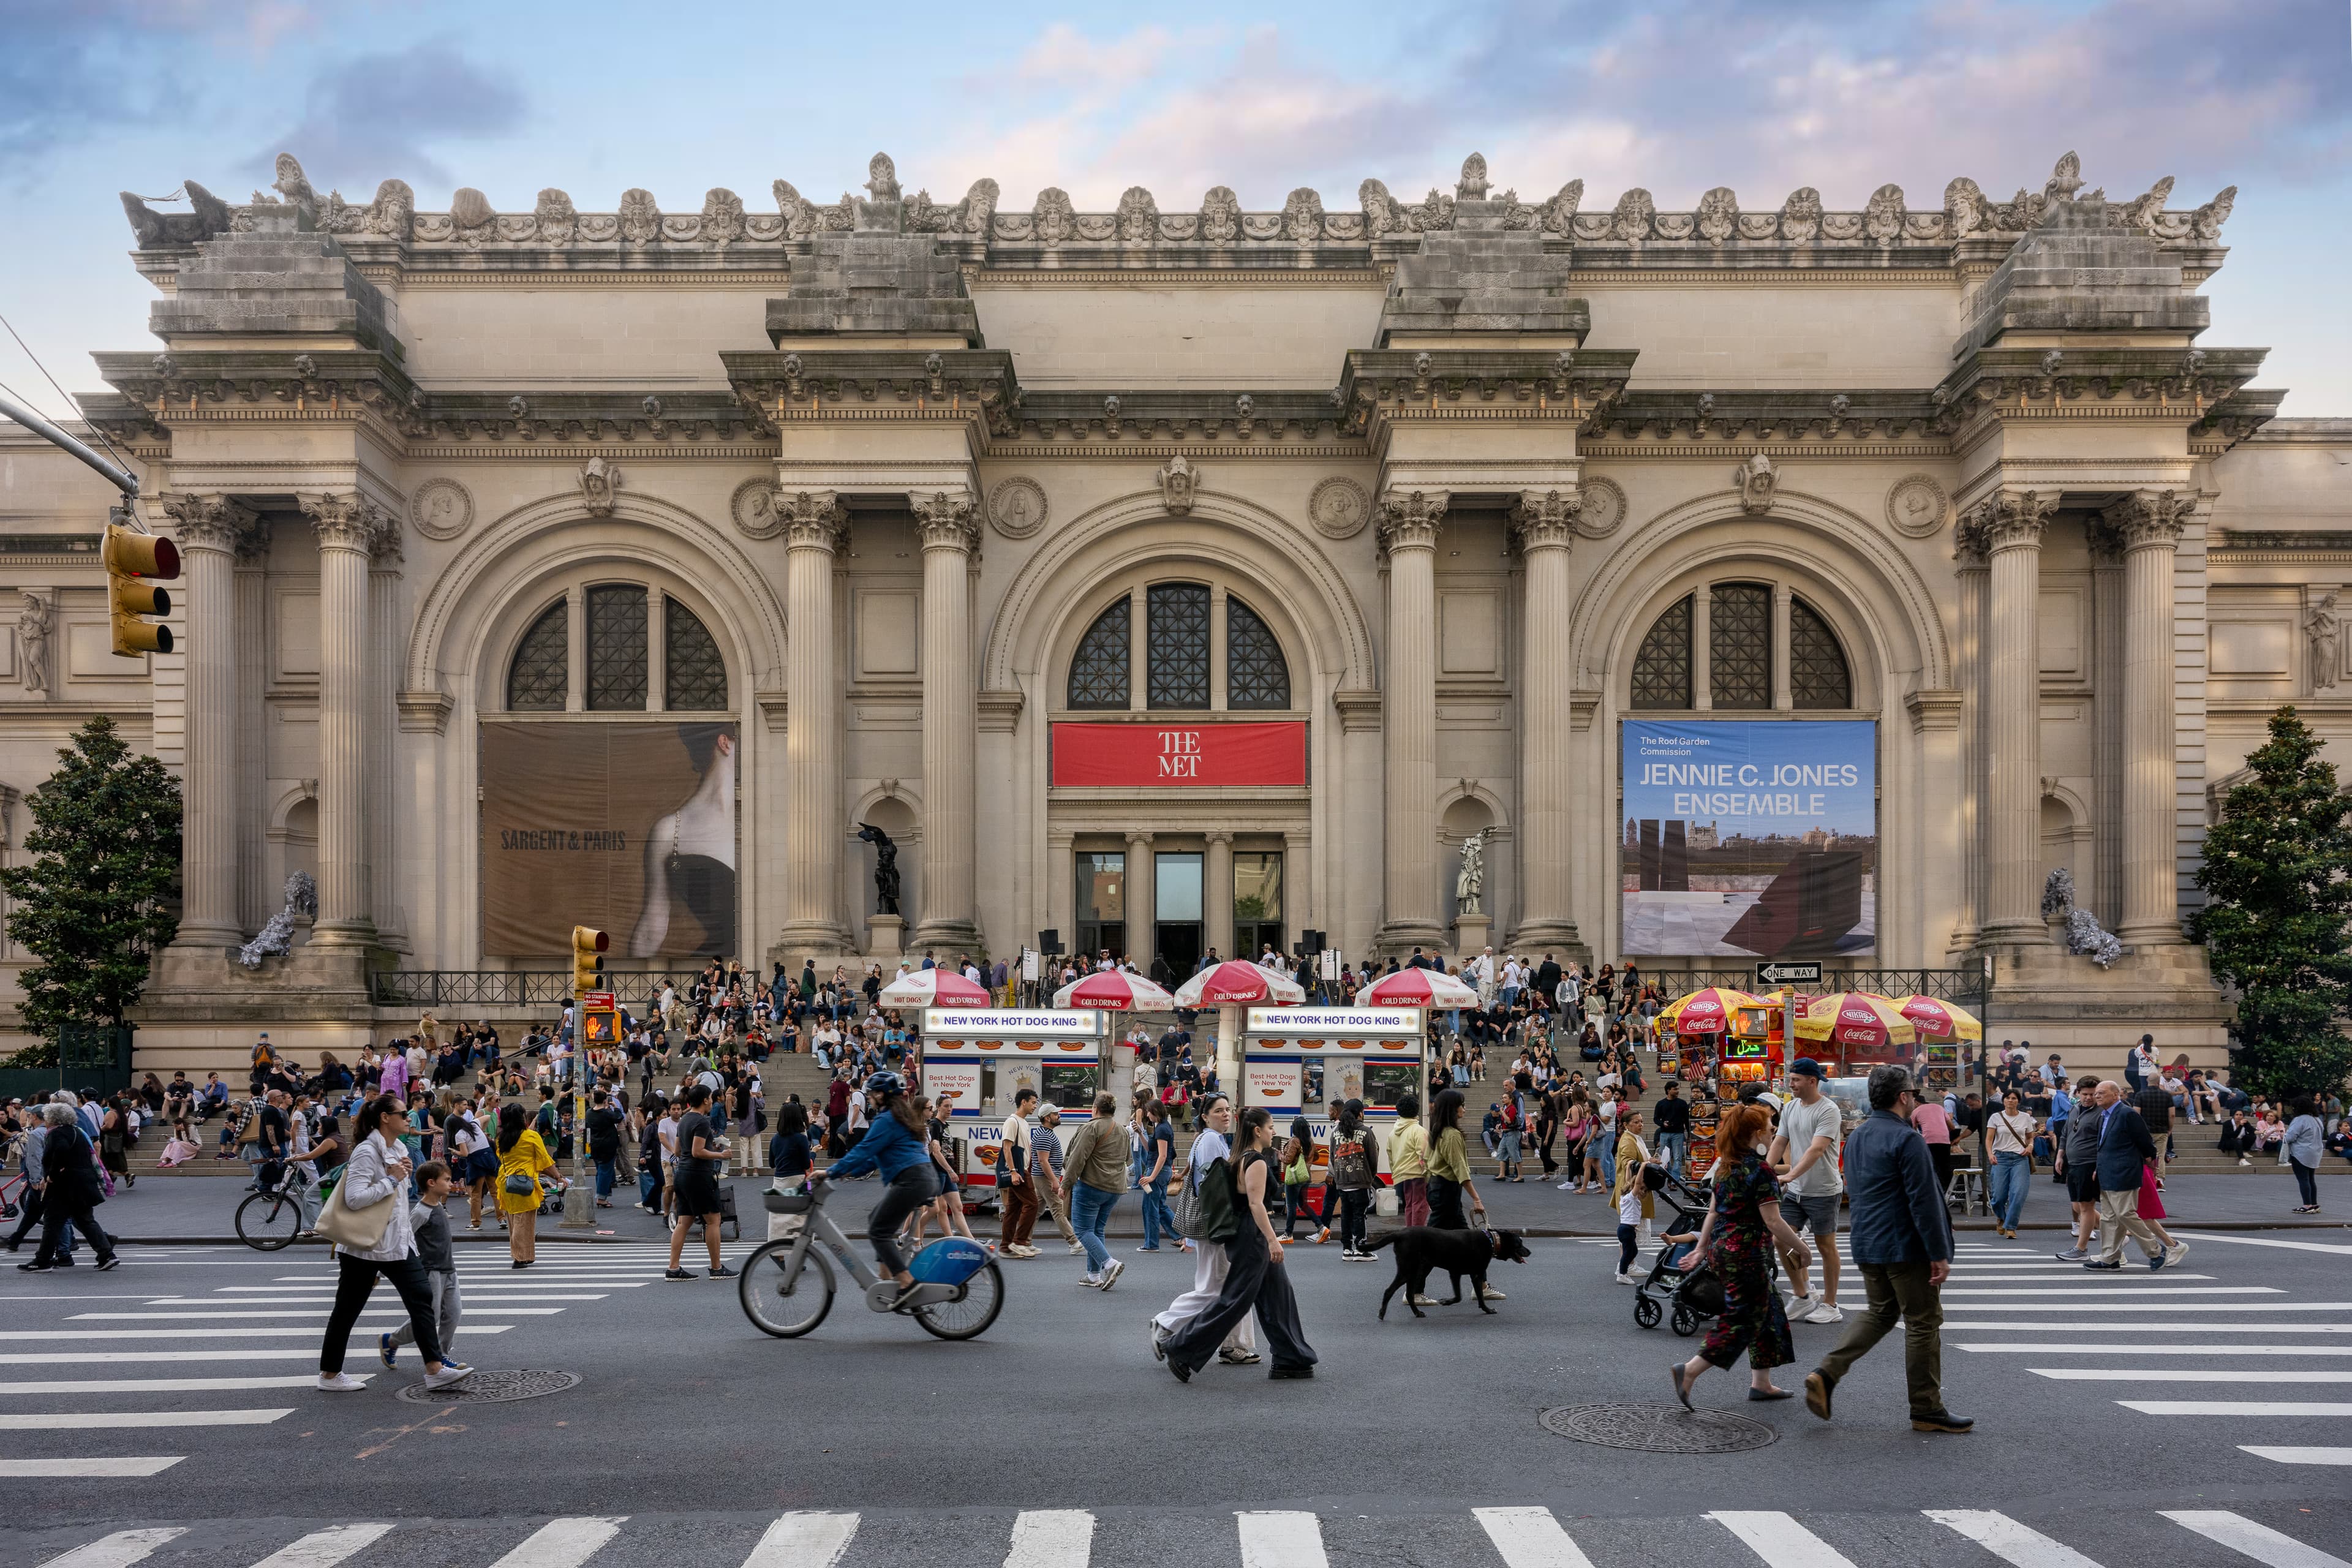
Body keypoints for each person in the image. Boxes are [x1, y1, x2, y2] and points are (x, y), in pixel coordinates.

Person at [1803, 1066, 1970, 1434]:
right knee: (1923, 1323)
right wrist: (1939, 1251)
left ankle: (1827, 1372)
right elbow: (1924, 1200)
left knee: (1880, 1313)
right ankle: (1927, 1408)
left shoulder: (1859, 1136)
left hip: (1868, 1240)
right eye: (1912, 1091)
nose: (1913, 1097)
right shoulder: (1907, 1139)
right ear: (1903, 1097)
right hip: (1906, 1245)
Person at [315, 1097, 470, 1392]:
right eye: (403, 1114)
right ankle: (330, 1375)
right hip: (365, 1247)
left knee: (423, 1298)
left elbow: (398, 1205)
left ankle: (434, 1368)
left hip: (397, 1244)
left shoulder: (398, 1149)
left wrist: (403, 1174)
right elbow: (355, 1198)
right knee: (347, 1310)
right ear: (386, 1118)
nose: (409, 1118)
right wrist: (392, 1179)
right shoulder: (366, 1151)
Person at [1161, 1107, 1317, 1382]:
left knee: (1279, 1296)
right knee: (1234, 1301)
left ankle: (1291, 1357)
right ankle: (1181, 1349)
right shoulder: (1255, 1161)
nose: (1274, 1131)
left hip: (1246, 1235)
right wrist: (1273, 1241)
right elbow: (1256, 1205)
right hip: (1253, 1237)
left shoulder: (1238, 1156)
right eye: (1270, 1127)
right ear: (1257, 1131)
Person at [1668, 1103, 1809, 1407]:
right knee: (1742, 1319)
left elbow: (1712, 1211)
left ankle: (1762, 1383)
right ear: (1757, 1135)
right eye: (1771, 1128)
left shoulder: (1724, 1167)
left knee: (1769, 1309)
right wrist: (1802, 1247)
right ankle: (1690, 1371)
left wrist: (1702, 1249)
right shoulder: (1761, 1171)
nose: (1774, 1133)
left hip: (1723, 1249)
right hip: (1747, 1254)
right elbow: (1773, 1220)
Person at [1151, 1094, 1259, 1366]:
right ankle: (1166, 1324)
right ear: (1205, 1116)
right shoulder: (1211, 1140)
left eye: (1228, 1110)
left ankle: (1234, 1345)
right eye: (1218, 1111)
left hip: (1215, 1224)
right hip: (1217, 1225)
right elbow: (1214, 1187)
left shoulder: (1211, 1139)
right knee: (1215, 1289)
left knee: (1230, 1286)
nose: (1226, 1114)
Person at [820, 1071, 935, 1310]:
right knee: (877, 1221)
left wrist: (830, 1172)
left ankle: (907, 1283)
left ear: (881, 1095)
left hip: (911, 1180)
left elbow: (864, 1150)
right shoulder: (898, 1116)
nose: (869, 1098)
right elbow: (872, 1160)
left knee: (878, 1232)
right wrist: (847, 1173)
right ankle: (885, 1279)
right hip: (921, 1178)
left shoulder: (886, 1119)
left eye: (871, 1094)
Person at [1770, 1058, 1845, 1325]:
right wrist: (1766, 1171)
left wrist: (1790, 1174)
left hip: (1824, 1190)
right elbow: (1780, 1141)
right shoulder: (1790, 1107)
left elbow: (1817, 1149)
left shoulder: (1828, 1110)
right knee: (1781, 1239)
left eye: (1795, 1080)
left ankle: (1830, 1304)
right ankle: (1803, 1296)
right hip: (1796, 1192)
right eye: (1790, 1079)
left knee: (1826, 1247)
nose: (1790, 1085)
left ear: (1812, 1081)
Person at [2086, 1079, 2180, 1270]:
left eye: (2101, 1093)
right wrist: (2099, 1167)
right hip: (2107, 1172)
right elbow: (2104, 1147)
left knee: (2125, 1213)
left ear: (2116, 1095)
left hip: (2125, 1172)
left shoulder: (2127, 1114)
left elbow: (2146, 1143)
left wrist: (2147, 1163)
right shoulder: (2104, 1115)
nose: (2097, 1096)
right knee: (2109, 1218)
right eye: (2096, 1093)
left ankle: (2156, 1250)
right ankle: (2110, 1258)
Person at [13, 1102, 116, 1273]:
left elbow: (60, 1151)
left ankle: (43, 1260)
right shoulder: (77, 1131)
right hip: (82, 1184)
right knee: (85, 1220)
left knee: (52, 1222)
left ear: (53, 1118)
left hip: (64, 1186)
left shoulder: (57, 1133)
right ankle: (107, 1255)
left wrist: (52, 1174)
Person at [379, 1160, 462, 1370]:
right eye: (447, 1180)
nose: (451, 1184)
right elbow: (402, 1237)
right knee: (430, 1317)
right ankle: (391, 1340)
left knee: (453, 1314)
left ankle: (442, 1354)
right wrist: (382, 1270)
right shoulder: (420, 1212)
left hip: (449, 1269)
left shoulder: (439, 1206)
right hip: (431, 1271)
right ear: (432, 1183)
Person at [664, 1084, 737, 1281]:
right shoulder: (702, 1122)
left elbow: (679, 1151)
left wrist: (708, 1146)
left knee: (683, 1221)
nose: (712, 1101)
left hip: (683, 1174)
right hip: (699, 1175)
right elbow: (697, 1152)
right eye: (710, 1098)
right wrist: (720, 1154)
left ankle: (673, 1268)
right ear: (705, 1100)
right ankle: (716, 1267)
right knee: (714, 1220)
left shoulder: (684, 1120)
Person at [1061, 1092, 1131, 1289]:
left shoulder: (1091, 1128)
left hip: (1091, 1185)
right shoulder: (1123, 1130)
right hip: (1115, 1188)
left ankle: (1110, 1264)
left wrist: (1066, 1185)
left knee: (1082, 1230)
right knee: (1097, 1230)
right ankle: (1093, 1276)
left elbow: (1077, 1159)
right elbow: (1128, 1159)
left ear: (1095, 1109)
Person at [494, 1101, 554, 1271]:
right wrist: (559, 1177)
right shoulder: (531, 1136)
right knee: (524, 1222)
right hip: (525, 1182)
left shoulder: (501, 1138)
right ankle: (520, 1257)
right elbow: (545, 1162)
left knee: (514, 1220)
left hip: (506, 1182)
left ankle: (524, 1255)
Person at [2052, 1076, 2105, 1260]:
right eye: (2085, 1094)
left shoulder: (2101, 1113)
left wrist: (2099, 1165)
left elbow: (2103, 1142)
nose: (2089, 1098)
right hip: (2073, 1163)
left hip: (2088, 1164)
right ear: (2078, 1093)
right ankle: (2115, 1236)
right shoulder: (2075, 1109)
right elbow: (2066, 1133)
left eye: (2093, 1094)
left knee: (2085, 1206)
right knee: (2077, 1204)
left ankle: (2081, 1248)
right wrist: (2060, 1155)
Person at [1425, 1089, 1488, 1242]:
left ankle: (1466, 1263)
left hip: (1437, 1187)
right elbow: (1460, 1170)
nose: (1464, 1109)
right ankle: (1416, 1261)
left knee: (1462, 1232)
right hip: (1446, 1189)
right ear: (1452, 1108)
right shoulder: (1452, 1135)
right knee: (1429, 1237)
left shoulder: (1437, 1130)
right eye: (1462, 1105)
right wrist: (1477, 1199)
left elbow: (1427, 1161)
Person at [1326, 1099, 1379, 1260]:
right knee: (1360, 1215)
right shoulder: (1366, 1131)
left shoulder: (1335, 1133)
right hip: (1360, 1181)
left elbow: (1332, 1157)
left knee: (1346, 1215)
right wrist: (1370, 1178)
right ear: (1360, 1113)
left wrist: (1338, 1176)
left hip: (1342, 1182)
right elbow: (1373, 1158)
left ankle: (1347, 1249)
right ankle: (1361, 1249)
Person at [1985, 1089, 2037, 1238]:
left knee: (2018, 1193)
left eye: (2014, 1098)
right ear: (2003, 1101)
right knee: (1998, 1196)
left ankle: (2011, 1227)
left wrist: (2030, 1147)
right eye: (2008, 1098)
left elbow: (2029, 1137)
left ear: (2018, 1102)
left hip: (2020, 1158)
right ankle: (2001, 1216)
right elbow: (1989, 1139)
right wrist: (1990, 1154)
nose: (2011, 1101)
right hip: (2000, 1158)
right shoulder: (1995, 1117)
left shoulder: (2025, 1118)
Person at [1612, 1107, 1654, 1284]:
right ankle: (1626, 1266)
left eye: (1641, 1121)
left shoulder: (1634, 1138)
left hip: (1636, 1187)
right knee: (1631, 1231)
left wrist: (1651, 1162)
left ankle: (1629, 1263)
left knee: (1632, 1232)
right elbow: (1628, 1162)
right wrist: (1646, 1165)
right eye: (1636, 1122)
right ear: (1626, 1125)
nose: (1641, 1125)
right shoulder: (1628, 1140)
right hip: (1632, 1188)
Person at [997, 1088, 1040, 1258]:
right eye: (1033, 1102)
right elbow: (1006, 1147)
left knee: (1013, 1209)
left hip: (1023, 1169)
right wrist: (1014, 1171)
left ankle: (1006, 1248)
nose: (1035, 1106)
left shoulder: (1024, 1122)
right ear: (1023, 1102)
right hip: (1018, 1171)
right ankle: (1020, 1242)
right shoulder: (1012, 1121)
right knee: (1033, 1204)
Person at [1135, 1100, 1180, 1253]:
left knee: (1150, 1207)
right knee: (1159, 1206)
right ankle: (1180, 1235)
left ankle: (1152, 1243)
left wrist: (1152, 1176)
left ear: (1155, 1111)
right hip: (1162, 1171)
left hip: (1157, 1171)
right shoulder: (1162, 1128)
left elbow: (1162, 1156)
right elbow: (1150, 1149)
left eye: (1149, 1112)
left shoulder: (1161, 1130)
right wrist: (1141, 1133)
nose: (1147, 1114)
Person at [1389, 1091, 1430, 1228]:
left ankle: (1410, 1236)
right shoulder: (1419, 1131)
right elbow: (1424, 1157)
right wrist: (1429, 1175)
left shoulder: (1393, 1133)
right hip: (1417, 1175)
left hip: (1401, 1176)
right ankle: (1417, 1239)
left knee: (1409, 1207)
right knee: (1419, 1206)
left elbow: (1391, 1157)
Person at [2285, 1096, 2326, 1213]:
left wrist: (2284, 1136)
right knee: (2311, 1179)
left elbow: (2291, 1137)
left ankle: (2307, 1205)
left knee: (2303, 1179)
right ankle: (2314, 1204)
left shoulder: (2299, 1120)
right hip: (2315, 1152)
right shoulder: (2317, 1119)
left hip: (2301, 1152)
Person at [1654, 1080, 1691, 1177]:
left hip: (1678, 1134)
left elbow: (1687, 1120)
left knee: (1678, 1157)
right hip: (1664, 1133)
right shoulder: (1661, 1104)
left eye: (1678, 1089)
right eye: (1675, 1089)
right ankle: (1670, 1177)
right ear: (1668, 1090)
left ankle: (1675, 1180)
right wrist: (1663, 1124)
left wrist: (1689, 1135)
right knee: (1665, 1158)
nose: (1677, 1091)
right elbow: (1656, 1119)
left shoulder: (1682, 1103)